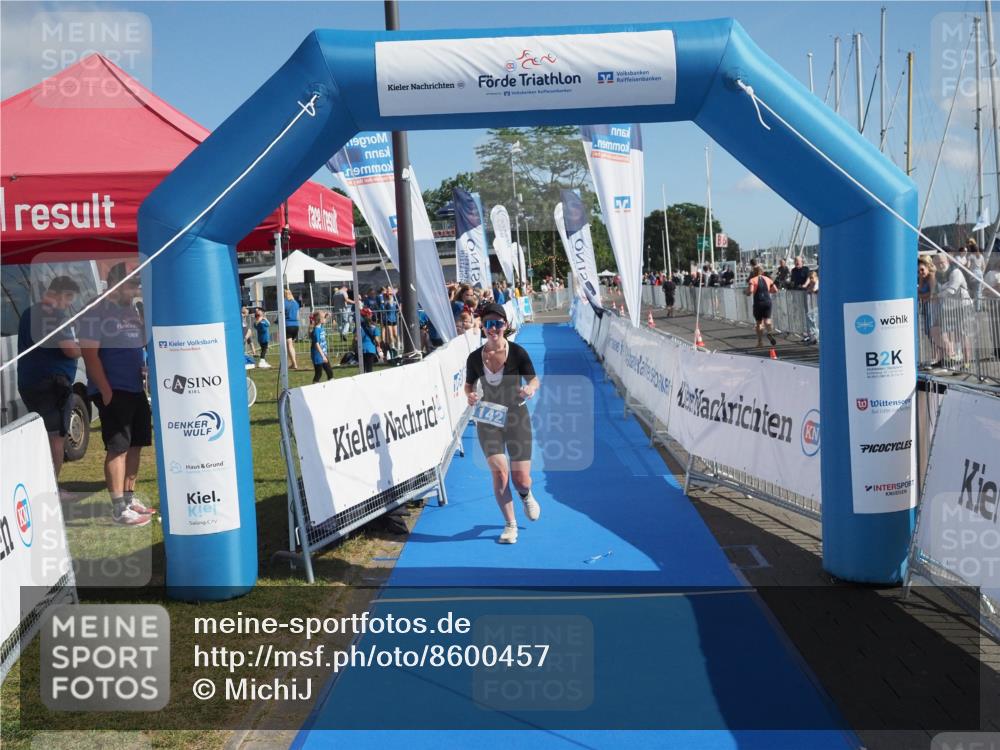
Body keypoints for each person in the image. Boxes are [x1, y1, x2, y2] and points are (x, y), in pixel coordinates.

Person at [78, 263, 154, 527]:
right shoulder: (95, 310)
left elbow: (140, 341)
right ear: (116, 284)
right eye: (132, 285)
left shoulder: (130, 309)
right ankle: (118, 507)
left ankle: (129, 498)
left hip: (135, 387)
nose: (135, 291)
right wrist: (106, 391)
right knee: (118, 447)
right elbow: (89, 354)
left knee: (136, 444)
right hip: (114, 389)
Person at [464, 303, 541, 545]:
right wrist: (470, 395)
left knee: (521, 479)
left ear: (505, 325)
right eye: (488, 324)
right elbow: (468, 385)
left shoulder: (518, 353)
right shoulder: (475, 358)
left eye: (497, 323)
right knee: (499, 472)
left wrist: (529, 389)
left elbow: (534, 380)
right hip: (488, 419)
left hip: (517, 417)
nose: (493, 328)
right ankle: (510, 524)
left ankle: (526, 494)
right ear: (483, 327)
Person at [16, 276, 82, 479]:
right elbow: (70, 350)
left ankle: (41, 481)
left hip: (29, 382)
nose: (69, 304)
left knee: (42, 435)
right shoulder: (56, 315)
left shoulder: (28, 313)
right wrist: (84, 348)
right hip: (53, 385)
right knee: (56, 437)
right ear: (60, 294)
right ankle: (53, 486)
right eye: (69, 298)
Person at [745, 265, 778, 348]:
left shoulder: (752, 280)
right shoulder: (768, 279)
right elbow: (775, 290)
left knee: (759, 323)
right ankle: (769, 332)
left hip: (758, 302)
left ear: (754, 272)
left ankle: (760, 342)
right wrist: (768, 291)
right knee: (767, 320)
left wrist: (746, 292)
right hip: (767, 301)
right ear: (762, 272)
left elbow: (751, 291)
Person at [309, 311, 333, 383]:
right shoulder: (316, 330)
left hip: (323, 354)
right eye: (324, 317)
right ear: (320, 320)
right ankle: (314, 385)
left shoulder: (321, 326)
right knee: (318, 374)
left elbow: (325, 319)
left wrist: (326, 315)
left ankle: (331, 385)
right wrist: (323, 356)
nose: (325, 319)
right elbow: (317, 345)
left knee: (329, 372)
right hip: (318, 355)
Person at [358, 307, 381, 373]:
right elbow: (376, 339)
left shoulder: (359, 326)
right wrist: (379, 346)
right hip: (371, 350)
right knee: (369, 370)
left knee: (362, 370)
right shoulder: (374, 327)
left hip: (361, 349)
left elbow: (355, 338)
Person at [283, 288, 300, 370]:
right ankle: (293, 363)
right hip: (296, 325)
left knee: (289, 345)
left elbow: (281, 314)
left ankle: (294, 363)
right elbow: (297, 315)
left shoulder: (283, 303)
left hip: (288, 325)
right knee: (291, 345)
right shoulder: (295, 303)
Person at [382, 287, 399, 359]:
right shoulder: (386, 300)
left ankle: (398, 346)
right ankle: (393, 347)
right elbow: (384, 294)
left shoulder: (395, 299)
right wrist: (387, 292)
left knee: (395, 334)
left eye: (390, 292)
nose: (389, 293)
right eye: (388, 291)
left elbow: (396, 290)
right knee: (390, 335)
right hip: (388, 319)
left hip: (394, 319)